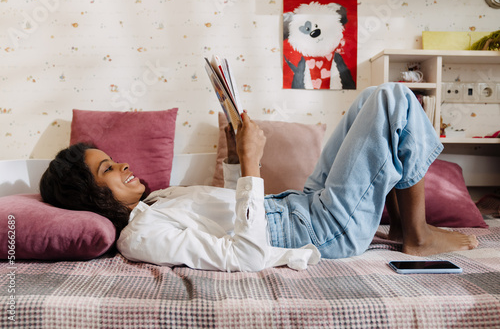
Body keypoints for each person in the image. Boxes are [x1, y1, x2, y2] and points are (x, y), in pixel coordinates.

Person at [39, 83, 478, 272]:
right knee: (392, 97)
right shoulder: (139, 237)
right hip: (322, 231)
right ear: (92, 197)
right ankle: (416, 233)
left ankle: (401, 223)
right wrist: (252, 165)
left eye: (114, 159)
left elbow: (226, 210)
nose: (124, 166)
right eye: (109, 170)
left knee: (368, 100)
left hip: (302, 203)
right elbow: (246, 255)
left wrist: (235, 149)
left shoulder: (156, 203)